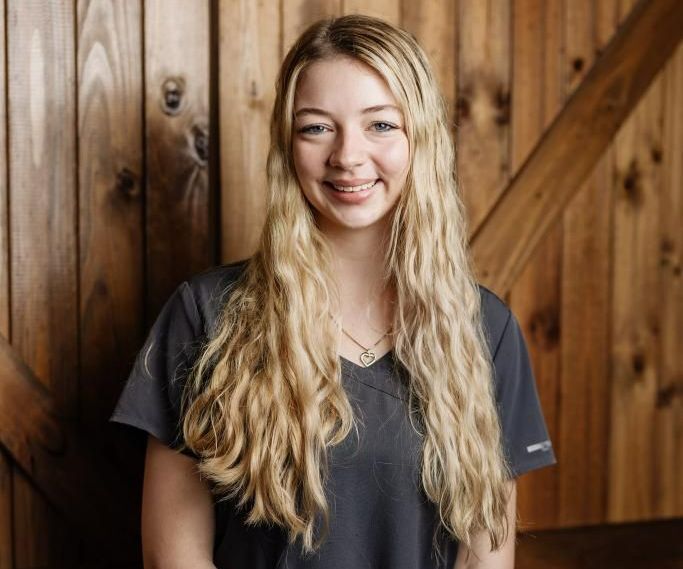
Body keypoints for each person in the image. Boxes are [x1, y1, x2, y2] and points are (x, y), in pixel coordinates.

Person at [110, 14, 556, 569]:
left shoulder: (483, 327)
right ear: (287, 145)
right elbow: (174, 556)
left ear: (421, 138)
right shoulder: (207, 314)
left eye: (381, 125)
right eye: (317, 127)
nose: (347, 155)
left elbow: (485, 557)